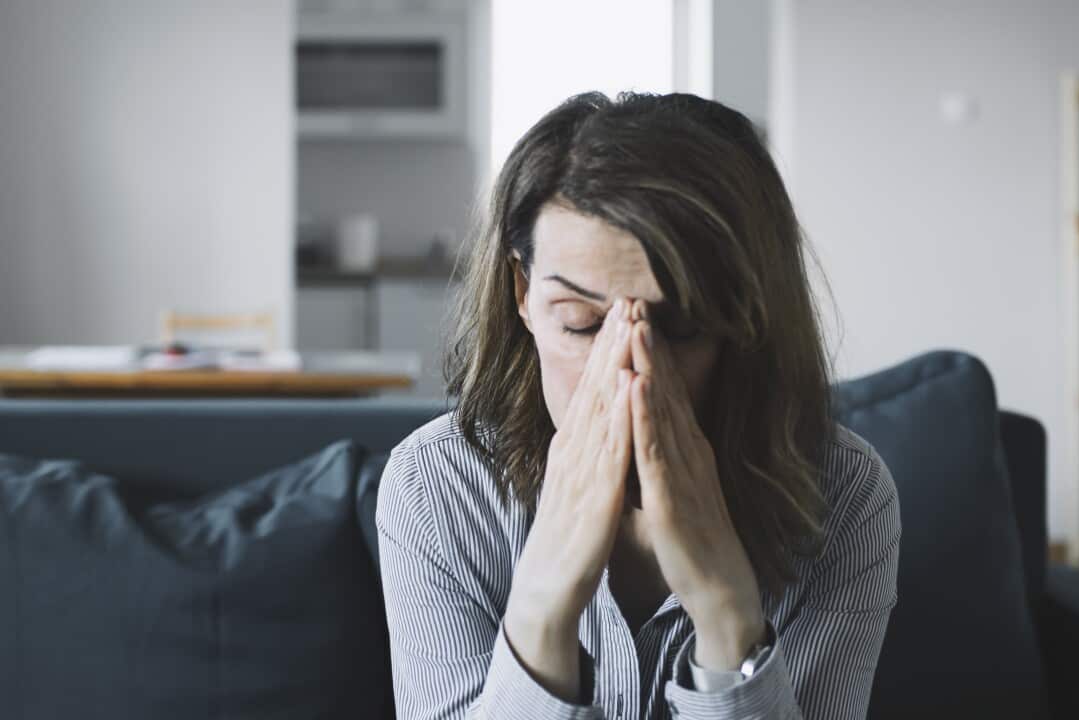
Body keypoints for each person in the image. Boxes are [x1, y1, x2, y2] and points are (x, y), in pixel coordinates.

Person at [376, 91, 901, 720]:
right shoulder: (436, 490)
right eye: (579, 322)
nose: (625, 373)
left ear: (748, 323)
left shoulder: (844, 497)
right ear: (523, 293)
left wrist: (724, 613)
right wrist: (542, 611)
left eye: (679, 329)